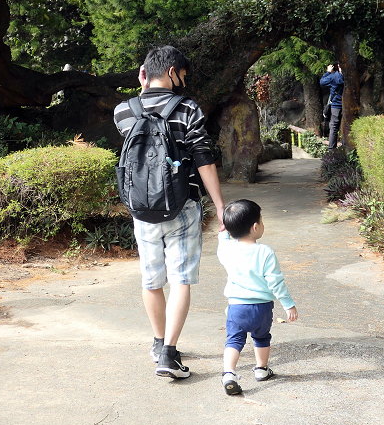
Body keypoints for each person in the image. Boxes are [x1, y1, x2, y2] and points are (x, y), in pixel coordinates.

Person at [114, 45, 227, 379]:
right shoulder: (188, 109)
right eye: (182, 76)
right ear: (173, 71)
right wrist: (220, 206)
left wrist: (142, 87)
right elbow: (204, 158)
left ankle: (157, 342)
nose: (183, 83)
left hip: (142, 209)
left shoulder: (124, 111)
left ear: (144, 73)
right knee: (180, 279)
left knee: (151, 280)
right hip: (183, 205)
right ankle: (169, 353)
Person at [216, 199, 298, 396]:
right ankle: (261, 369)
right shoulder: (264, 252)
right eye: (261, 221)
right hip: (261, 308)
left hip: (236, 307)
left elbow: (222, 241)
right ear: (255, 227)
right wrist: (288, 305)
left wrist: (223, 234)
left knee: (234, 340)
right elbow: (276, 283)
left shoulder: (226, 250)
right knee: (261, 337)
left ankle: (229, 373)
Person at [319, 63, 344, 150]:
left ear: (339, 66)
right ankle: (346, 149)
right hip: (347, 106)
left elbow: (322, 82)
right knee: (346, 127)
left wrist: (328, 72)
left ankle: (331, 150)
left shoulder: (333, 76)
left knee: (333, 127)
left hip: (336, 106)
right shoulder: (351, 77)